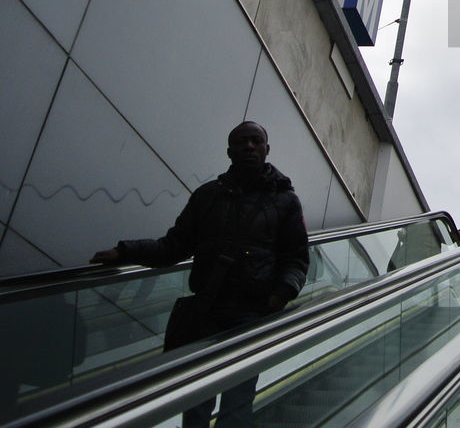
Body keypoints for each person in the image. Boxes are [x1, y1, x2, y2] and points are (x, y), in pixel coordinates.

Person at [90, 121, 308, 428]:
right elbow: (173, 246)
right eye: (242, 142)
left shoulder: (285, 201)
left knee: (237, 403)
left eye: (256, 141)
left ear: (266, 149)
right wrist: (125, 252)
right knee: (195, 403)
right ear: (229, 152)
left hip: (250, 315)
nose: (249, 146)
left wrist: (280, 295)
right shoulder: (207, 196)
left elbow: (296, 259)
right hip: (206, 312)